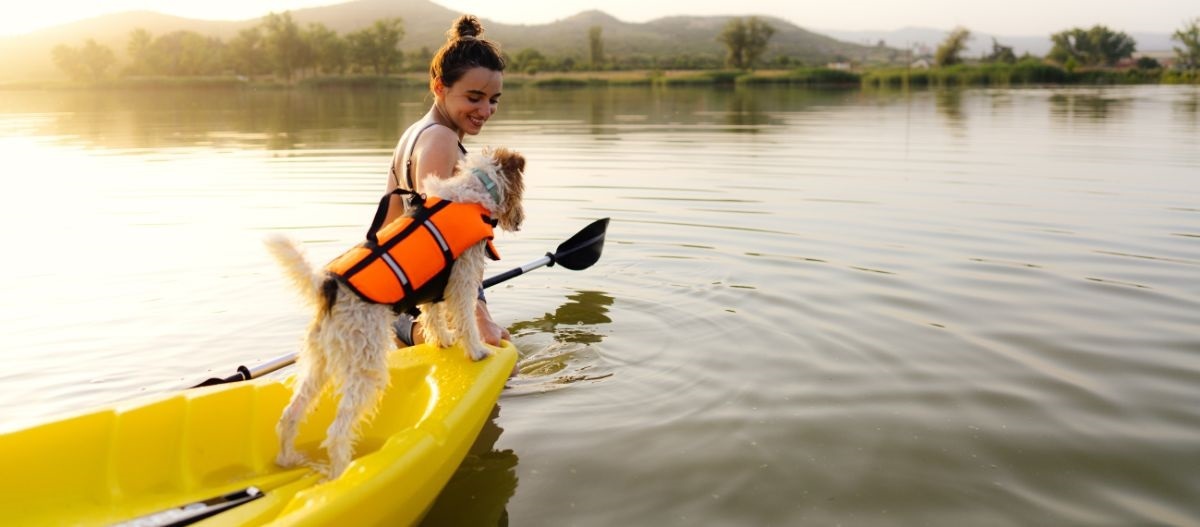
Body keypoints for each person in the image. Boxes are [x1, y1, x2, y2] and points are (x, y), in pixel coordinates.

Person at [388, 14, 509, 348]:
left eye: (493, 99)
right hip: (425, 315)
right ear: (439, 87)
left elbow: (388, 229)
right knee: (507, 368)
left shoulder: (413, 135)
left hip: (395, 306)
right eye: (474, 98)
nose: (485, 110)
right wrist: (479, 317)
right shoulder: (441, 140)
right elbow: (447, 243)